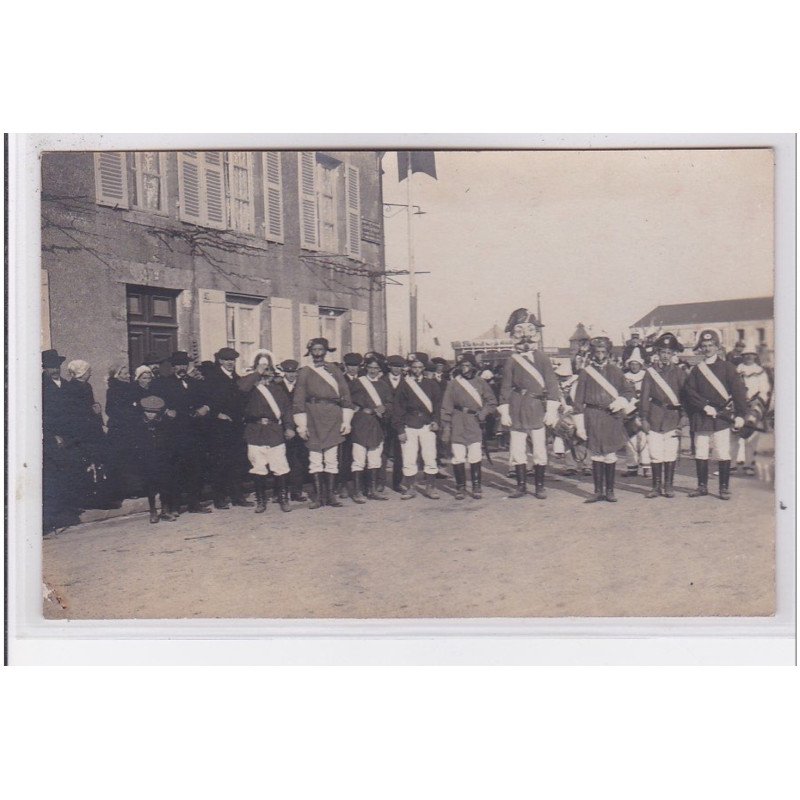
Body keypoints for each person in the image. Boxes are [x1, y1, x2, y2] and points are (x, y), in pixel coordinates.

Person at [497, 307, 560, 499]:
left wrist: (551, 410)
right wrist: (505, 412)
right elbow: (505, 387)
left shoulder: (542, 358)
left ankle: (539, 486)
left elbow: (552, 385)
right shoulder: (511, 360)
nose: (525, 339)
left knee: (540, 449)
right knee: (517, 449)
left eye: (529, 332)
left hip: (536, 408)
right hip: (516, 407)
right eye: (520, 332)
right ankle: (521, 486)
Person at [682, 329, 748, 500]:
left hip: (721, 416)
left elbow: (739, 392)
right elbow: (689, 392)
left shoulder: (727, 367)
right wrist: (703, 406)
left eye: (711, 345)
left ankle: (723, 488)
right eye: (704, 346)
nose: (707, 348)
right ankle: (702, 486)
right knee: (701, 452)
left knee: (722, 452)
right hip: (702, 416)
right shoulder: (697, 370)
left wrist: (741, 414)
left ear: (718, 347)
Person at [292, 338, 354, 509]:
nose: (318, 354)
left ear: (326, 351)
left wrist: (346, 420)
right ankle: (319, 497)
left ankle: (331, 496)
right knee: (315, 458)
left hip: (333, 415)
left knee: (332, 457)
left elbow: (345, 395)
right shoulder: (304, 372)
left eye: (321, 350)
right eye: (315, 350)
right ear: (310, 352)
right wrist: (301, 425)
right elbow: (298, 400)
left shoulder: (335, 370)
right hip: (312, 416)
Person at [572, 336, 635, 503]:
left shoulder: (615, 371)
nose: (600, 355)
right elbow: (578, 400)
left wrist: (620, 401)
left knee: (610, 453)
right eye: (597, 352)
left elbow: (628, 391)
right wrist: (580, 426)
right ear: (592, 353)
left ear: (608, 353)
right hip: (592, 415)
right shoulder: (586, 373)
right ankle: (597, 491)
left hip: (610, 416)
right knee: (596, 453)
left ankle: (610, 491)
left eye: (603, 351)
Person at [151, 351, 213, 514]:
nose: (182, 368)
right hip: (174, 433)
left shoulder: (196, 383)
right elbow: (155, 403)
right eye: (178, 364)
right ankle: (174, 506)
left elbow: (207, 400)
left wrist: (205, 408)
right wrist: (166, 411)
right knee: (175, 470)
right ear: (172, 367)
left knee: (195, 468)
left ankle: (194, 503)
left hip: (194, 432)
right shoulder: (162, 384)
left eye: (184, 364)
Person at [238, 351, 295, 513]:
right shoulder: (249, 387)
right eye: (262, 369)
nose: (265, 373)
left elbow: (287, 410)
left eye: (268, 369)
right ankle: (261, 501)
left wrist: (289, 427)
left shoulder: (278, 390)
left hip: (274, 431)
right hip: (255, 432)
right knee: (258, 468)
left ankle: (283, 499)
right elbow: (241, 388)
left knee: (280, 466)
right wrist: (257, 373)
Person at [440, 353, 497, 499]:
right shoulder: (453, 384)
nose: (464, 369)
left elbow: (491, 401)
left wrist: (483, 413)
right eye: (462, 366)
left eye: (467, 365)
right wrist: (446, 426)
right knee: (458, 455)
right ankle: (461, 487)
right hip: (458, 420)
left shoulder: (480, 383)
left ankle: (476, 486)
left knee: (475, 454)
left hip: (474, 421)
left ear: (473, 367)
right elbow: (446, 406)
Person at [203, 347, 253, 509]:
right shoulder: (212, 378)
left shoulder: (237, 379)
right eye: (227, 360)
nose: (230, 363)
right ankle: (219, 498)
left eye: (232, 360)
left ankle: (237, 496)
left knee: (237, 462)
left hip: (236, 427)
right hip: (219, 428)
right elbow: (207, 402)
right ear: (220, 361)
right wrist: (217, 415)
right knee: (220, 463)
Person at [638, 333, 687, 498]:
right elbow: (644, 397)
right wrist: (644, 418)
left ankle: (669, 485)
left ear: (673, 354)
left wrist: (684, 416)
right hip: (655, 415)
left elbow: (686, 397)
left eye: (668, 352)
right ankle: (656, 486)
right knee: (655, 452)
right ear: (657, 353)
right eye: (662, 352)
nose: (665, 355)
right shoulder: (650, 373)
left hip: (673, 416)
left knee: (670, 452)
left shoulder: (679, 373)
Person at [42, 349, 83, 531]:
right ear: (44, 368)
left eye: (56, 366)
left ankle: (69, 512)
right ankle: (53, 518)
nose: (54, 370)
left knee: (70, 474)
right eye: (51, 367)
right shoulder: (40, 387)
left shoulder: (66, 386)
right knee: (53, 478)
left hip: (70, 438)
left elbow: (74, 412)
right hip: (52, 440)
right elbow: (40, 415)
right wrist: (52, 435)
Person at [392, 352, 443, 500]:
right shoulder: (404, 384)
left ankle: (430, 487)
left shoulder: (432, 384)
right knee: (409, 457)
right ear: (410, 368)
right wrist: (400, 429)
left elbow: (437, 405)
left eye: (420, 367)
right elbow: (398, 408)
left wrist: (436, 421)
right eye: (414, 367)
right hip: (409, 424)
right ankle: (410, 487)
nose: (417, 370)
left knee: (430, 456)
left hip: (427, 425)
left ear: (424, 368)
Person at [347, 354, 393, 502]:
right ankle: (358, 491)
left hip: (377, 424)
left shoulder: (384, 385)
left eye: (376, 368)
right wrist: (361, 408)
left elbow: (390, 404)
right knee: (359, 458)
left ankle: (372, 490)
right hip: (361, 423)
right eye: (370, 367)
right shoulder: (357, 383)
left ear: (380, 369)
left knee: (374, 457)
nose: (373, 371)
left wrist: (384, 409)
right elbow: (348, 401)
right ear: (366, 367)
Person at [129, 395, 177, 523]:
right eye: (148, 412)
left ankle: (165, 510)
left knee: (165, 484)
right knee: (150, 486)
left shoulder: (164, 423)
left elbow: (170, 440)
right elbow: (135, 442)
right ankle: (153, 510)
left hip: (163, 458)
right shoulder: (138, 424)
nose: (151, 415)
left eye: (154, 413)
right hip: (147, 459)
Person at [272, 359, 309, 501]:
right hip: (281, 428)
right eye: (288, 372)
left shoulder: (302, 387)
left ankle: (296, 491)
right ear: (283, 373)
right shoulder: (277, 386)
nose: (292, 375)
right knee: (279, 460)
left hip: (298, 428)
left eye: (294, 372)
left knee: (297, 460)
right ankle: (279, 492)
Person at [735, 348, 772, 476]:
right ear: (743, 356)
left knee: (751, 435)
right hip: (737, 405)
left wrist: (756, 403)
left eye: (751, 354)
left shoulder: (760, 371)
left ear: (755, 356)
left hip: (754, 405)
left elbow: (765, 389)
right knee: (735, 434)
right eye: (746, 355)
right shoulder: (736, 370)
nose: (749, 357)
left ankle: (749, 464)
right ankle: (733, 463)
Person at [622, 348, 652, 478]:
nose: (634, 366)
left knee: (644, 439)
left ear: (640, 364)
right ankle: (632, 466)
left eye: (636, 364)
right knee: (630, 440)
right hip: (629, 410)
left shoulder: (647, 375)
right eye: (632, 364)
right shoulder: (624, 376)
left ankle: (646, 466)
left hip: (643, 409)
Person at [337, 353, 363, 499]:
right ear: (345, 366)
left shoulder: (364, 380)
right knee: (344, 454)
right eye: (350, 366)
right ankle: (343, 484)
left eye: (356, 366)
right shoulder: (341, 380)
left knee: (360, 453)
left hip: (361, 420)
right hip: (345, 419)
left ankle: (360, 485)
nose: (353, 369)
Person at [381, 354, 407, 492]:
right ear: (389, 366)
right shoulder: (382, 380)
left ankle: (397, 482)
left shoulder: (407, 382)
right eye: (394, 366)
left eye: (399, 367)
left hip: (400, 423)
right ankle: (380, 482)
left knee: (399, 453)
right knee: (382, 452)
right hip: (384, 422)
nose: (397, 369)